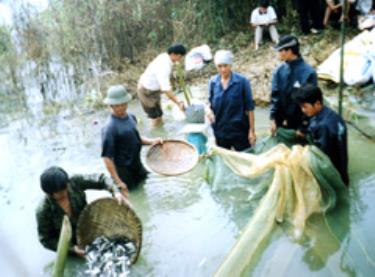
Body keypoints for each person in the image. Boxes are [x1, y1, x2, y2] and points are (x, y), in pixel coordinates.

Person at [36, 166, 127, 255]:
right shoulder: (43, 211)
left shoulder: (74, 182)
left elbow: (101, 179)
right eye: (60, 192)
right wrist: (72, 249)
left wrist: (116, 192)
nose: (65, 192)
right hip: (73, 243)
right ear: (49, 193)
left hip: (90, 228)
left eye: (65, 188)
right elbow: (46, 240)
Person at [101, 85, 162, 195]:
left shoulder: (130, 117)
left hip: (136, 164)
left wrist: (152, 141)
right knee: (133, 195)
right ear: (111, 106)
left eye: (123, 104)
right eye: (117, 106)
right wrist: (118, 182)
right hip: (123, 171)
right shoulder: (109, 128)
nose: (121, 108)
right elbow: (107, 158)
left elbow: (136, 138)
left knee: (144, 190)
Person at [293, 85, 349, 185]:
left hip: (331, 177)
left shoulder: (321, 127)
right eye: (301, 107)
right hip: (342, 171)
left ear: (317, 104)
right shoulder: (333, 115)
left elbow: (320, 157)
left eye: (305, 106)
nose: (303, 110)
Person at [207, 50, 256, 151]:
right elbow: (209, 103)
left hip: (240, 132)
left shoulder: (242, 82)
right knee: (224, 162)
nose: (223, 69)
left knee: (245, 161)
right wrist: (209, 111)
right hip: (220, 132)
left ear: (230, 65)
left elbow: (250, 108)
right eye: (219, 66)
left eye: (226, 66)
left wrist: (251, 131)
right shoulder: (212, 82)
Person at [270, 35, 317, 137]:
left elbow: (311, 102)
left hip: (299, 125)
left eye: (280, 50)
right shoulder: (278, 71)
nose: (278, 54)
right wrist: (273, 118)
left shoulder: (308, 73)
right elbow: (275, 96)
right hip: (280, 123)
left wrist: (304, 126)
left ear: (289, 51)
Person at [137, 43, 187, 127]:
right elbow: (166, 89)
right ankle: (153, 137)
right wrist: (178, 103)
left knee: (159, 114)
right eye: (180, 56)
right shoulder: (165, 65)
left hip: (154, 90)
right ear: (173, 54)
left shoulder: (165, 57)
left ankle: (161, 133)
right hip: (146, 91)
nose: (181, 59)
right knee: (154, 117)